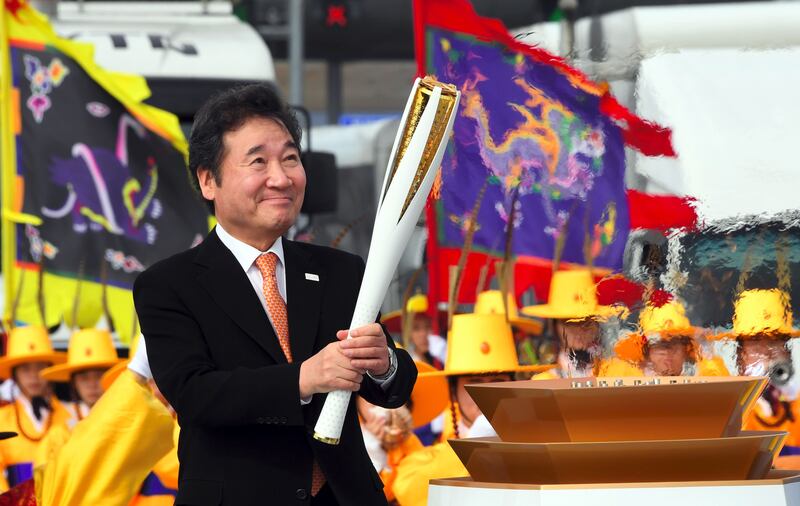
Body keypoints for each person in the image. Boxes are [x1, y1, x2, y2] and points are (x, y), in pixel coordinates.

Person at [134, 84, 416, 506]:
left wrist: (384, 362)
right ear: (209, 180)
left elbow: (391, 389)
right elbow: (195, 395)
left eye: (290, 158)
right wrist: (304, 378)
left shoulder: (340, 270)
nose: (281, 178)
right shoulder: (169, 285)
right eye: (258, 162)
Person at [391, 313, 549, 506]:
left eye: (497, 383)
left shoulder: (537, 449)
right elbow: (408, 488)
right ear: (454, 393)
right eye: (474, 384)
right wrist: (471, 449)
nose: (485, 394)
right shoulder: (425, 461)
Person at [714, 289, 800, 468]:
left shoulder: (796, 405)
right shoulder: (726, 411)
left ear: (787, 350)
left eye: (774, 340)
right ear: (741, 354)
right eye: (754, 340)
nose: (765, 351)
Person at [521, 270, 637, 379]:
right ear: (554, 326)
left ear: (596, 324)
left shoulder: (623, 372)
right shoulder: (543, 382)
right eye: (568, 323)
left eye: (585, 322)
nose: (578, 330)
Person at [0, 326, 70, 491]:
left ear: (50, 370)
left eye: (40, 367)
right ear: (14, 374)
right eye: (25, 369)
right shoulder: (1, 418)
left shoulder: (71, 415)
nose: (33, 376)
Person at [613, 300, 729, 377]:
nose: (667, 353)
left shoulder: (699, 381)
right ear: (647, 353)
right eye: (660, 345)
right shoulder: (629, 380)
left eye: (674, 343)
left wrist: (707, 353)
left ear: (686, 350)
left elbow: (722, 391)